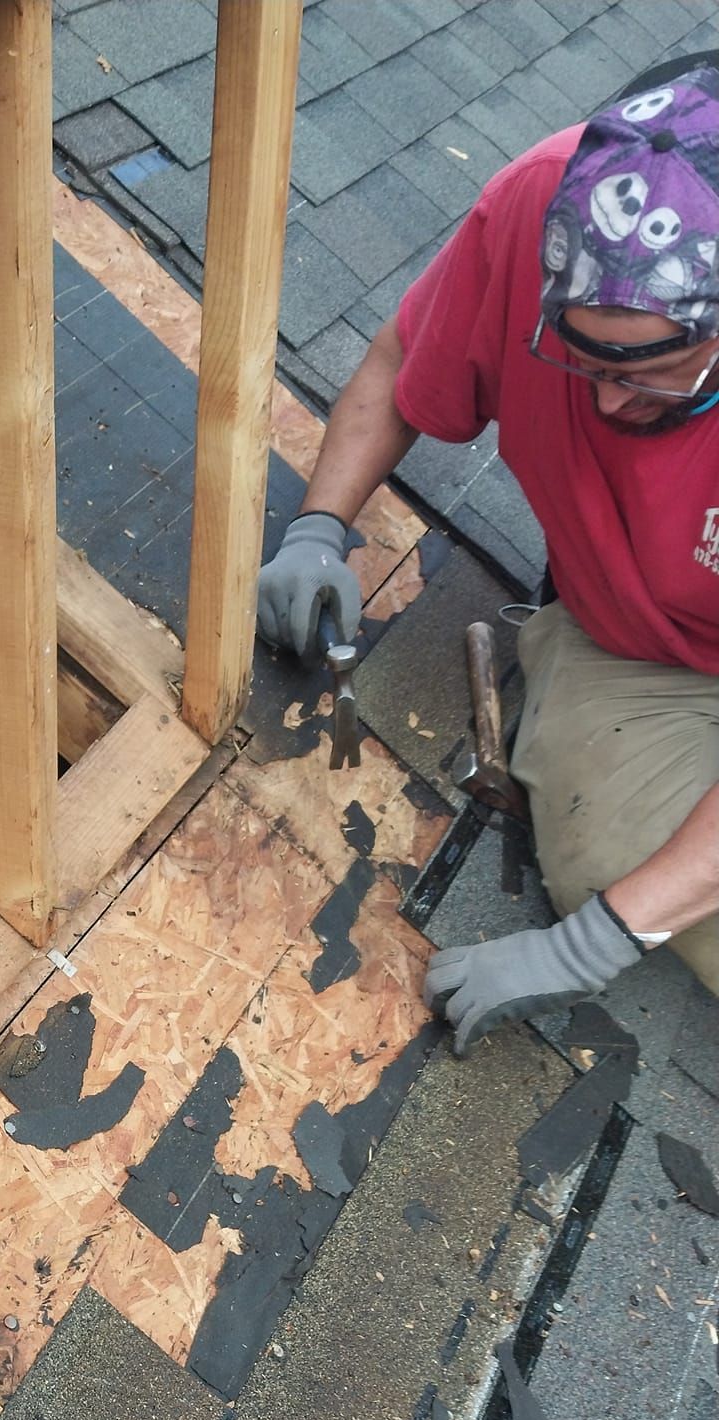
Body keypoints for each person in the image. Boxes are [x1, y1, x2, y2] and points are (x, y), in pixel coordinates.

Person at [256, 56, 719, 1052]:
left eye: (655, 375)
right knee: (604, 857)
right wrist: (318, 527)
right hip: (642, 640)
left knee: (649, 905)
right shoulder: (540, 205)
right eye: (583, 360)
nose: (608, 403)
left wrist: (591, 947)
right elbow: (400, 356)